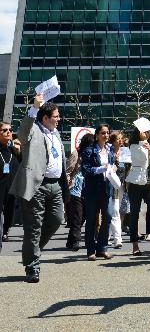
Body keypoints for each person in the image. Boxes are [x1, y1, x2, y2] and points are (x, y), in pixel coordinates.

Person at [10, 94, 70, 282]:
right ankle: (32, 266)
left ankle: (32, 251)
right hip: (37, 185)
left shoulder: (56, 133)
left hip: (56, 185)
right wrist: (34, 107)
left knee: (57, 219)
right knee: (33, 227)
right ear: (45, 118)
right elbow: (22, 133)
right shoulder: (34, 129)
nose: (59, 119)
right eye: (56, 116)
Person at [80, 123, 114, 260]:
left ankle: (102, 248)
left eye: (107, 133)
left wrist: (113, 168)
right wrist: (101, 169)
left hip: (106, 187)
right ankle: (90, 250)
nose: (105, 135)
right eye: (103, 133)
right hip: (92, 189)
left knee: (108, 216)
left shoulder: (109, 150)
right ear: (97, 135)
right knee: (91, 219)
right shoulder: (89, 150)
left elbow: (110, 167)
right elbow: (85, 169)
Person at [128, 125, 150, 256]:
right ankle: (135, 245)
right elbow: (141, 160)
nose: (146, 134)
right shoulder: (133, 145)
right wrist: (147, 149)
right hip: (136, 182)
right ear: (138, 132)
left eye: (148, 132)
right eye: (144, 131)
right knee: (135, 213)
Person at [65, 134, 91, 250]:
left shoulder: (93, 155)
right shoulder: (76, 153)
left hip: (88, 189)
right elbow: (68, 171)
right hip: (75, 189)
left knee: (84, 215)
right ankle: (75, 241)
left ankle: (70, 240)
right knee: (77, 216)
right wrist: (66, 188)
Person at [0, 120, 21, 250]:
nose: (9, 132)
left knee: (9, 216)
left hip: (11, 192)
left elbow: (23, 168)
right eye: (5, 130)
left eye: (11, 130)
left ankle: (5, 232)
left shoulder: (13, 150)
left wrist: (19, 153)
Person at [107, 130, 127, 248]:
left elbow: (129, 168)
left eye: (121, 138)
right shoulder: (109, 153)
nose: (120, 141)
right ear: (113, 141)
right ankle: (118, 239)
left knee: (116, 211)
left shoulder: (125, 152)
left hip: (123, 185)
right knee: (115, 212)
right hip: (112, 184)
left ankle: (106, 236)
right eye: (117, 139)